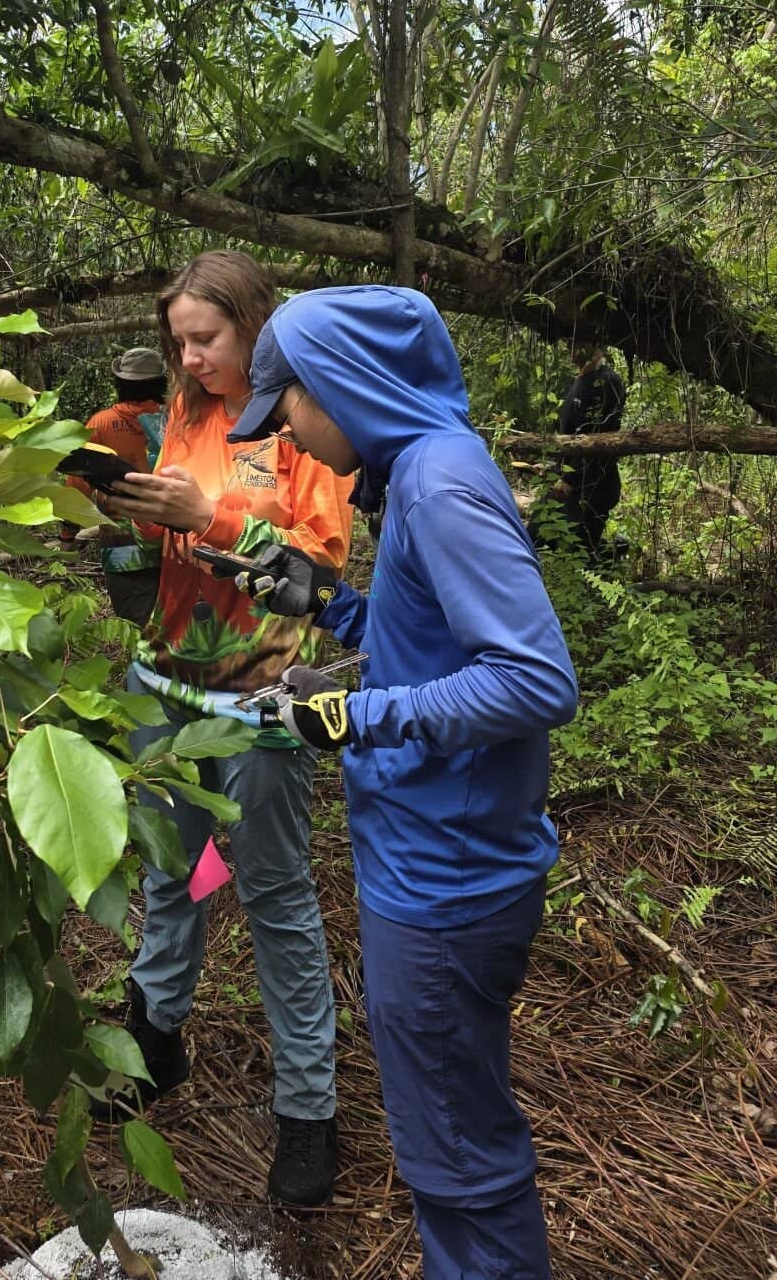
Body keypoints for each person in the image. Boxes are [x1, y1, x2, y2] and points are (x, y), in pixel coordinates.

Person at [221, 285, 578, 1280]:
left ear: (338, 388)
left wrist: (347, 714)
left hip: (446, 882)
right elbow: (429, 642)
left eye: (286, 406)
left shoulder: (436, 488)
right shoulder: (420, 472)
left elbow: (531, 677)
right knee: (447, 1139)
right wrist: (332, 608)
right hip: (430, 863)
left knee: (456, 1156)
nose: (285, 434)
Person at [101, 251, 354, 1207]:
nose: (191, 355)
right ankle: (155, 1039)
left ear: (254, 323)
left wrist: (207, 516)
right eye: (179, 341)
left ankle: (306, 1106)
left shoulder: (305, 423)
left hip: (260, 701)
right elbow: (161, 545)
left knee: (275, 892)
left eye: (205, 337)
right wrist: (121, 517)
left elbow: (320, 563)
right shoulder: (181, 418)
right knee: (172, 867)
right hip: (163, 683)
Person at [64, 347, 168, 626]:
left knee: (138, 629)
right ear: (160, 383)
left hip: (124, 552)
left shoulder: (102, 423)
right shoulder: (175, 421)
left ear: (121, 384)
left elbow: (76, 487)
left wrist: (66, 535)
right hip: (173, 547)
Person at [540, 338, 627, 559]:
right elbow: (572, 435)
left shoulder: (607, 382)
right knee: (538, 537)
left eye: (575, 340)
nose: (567, 346)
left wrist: (570, 478)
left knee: (578, 555)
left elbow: (600, 438)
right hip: (571, 483)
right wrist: (555, 466)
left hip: (593, 487)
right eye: (567, 340)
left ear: (594, 343)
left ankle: (614, 556)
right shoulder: (581, 379)